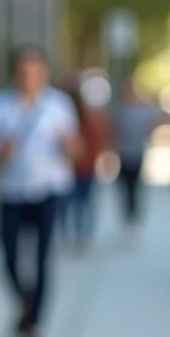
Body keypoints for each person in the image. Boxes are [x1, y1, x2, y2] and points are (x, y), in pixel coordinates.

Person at [0, 46, 80, 337]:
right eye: (22, 70)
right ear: (14, 73)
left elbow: (76, 151)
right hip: (11, 191)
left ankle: (34, 326)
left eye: (33, 70)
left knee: (43, 258)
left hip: (49, 189)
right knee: (7, 256)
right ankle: (24, 302)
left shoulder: (59, 106)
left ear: (44, 73)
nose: (28, 76)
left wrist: (68, 145)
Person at [57, 75, 108, 251]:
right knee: (79, 204)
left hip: (82, 168)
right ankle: (77, 235)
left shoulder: (85, 120)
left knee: (79, 204)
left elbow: (95, 142)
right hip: (72, 169)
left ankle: (78, 235)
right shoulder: (62, 117)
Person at [111, 77, 160, 240]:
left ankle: (134, 222)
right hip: (123, 154)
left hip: (138, 153)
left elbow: (155, 121)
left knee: (135, 188)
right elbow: (114, 131)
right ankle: (128, 220)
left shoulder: (143, 108)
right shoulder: (121, 109)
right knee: (125, 189)